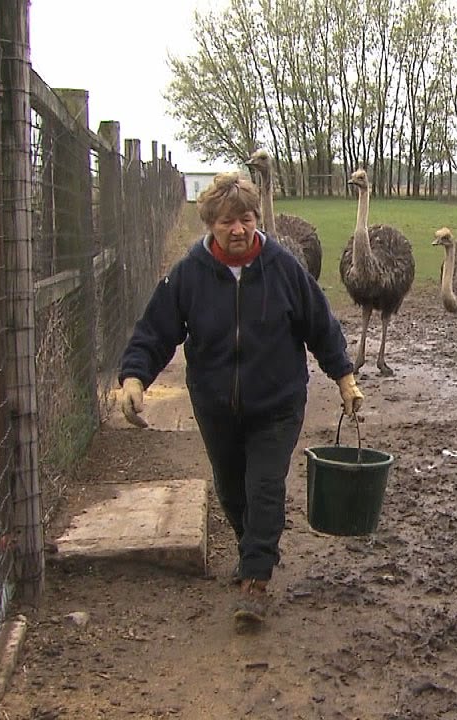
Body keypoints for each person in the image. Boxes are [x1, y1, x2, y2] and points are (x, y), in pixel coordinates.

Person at [115, 171, 363, 628]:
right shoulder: (190, 274)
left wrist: (344, 377)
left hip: (277, 402)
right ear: (211, 224)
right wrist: (135, 377)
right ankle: (251, 545)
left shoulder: (284, 268)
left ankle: (255, 580)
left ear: (255, 221)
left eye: (246, 219)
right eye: (228, 221)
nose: (238, 230)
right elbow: (156, 331)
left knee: (264, 486)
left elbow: (321, 325)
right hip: (216, 404)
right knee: (231, 490)